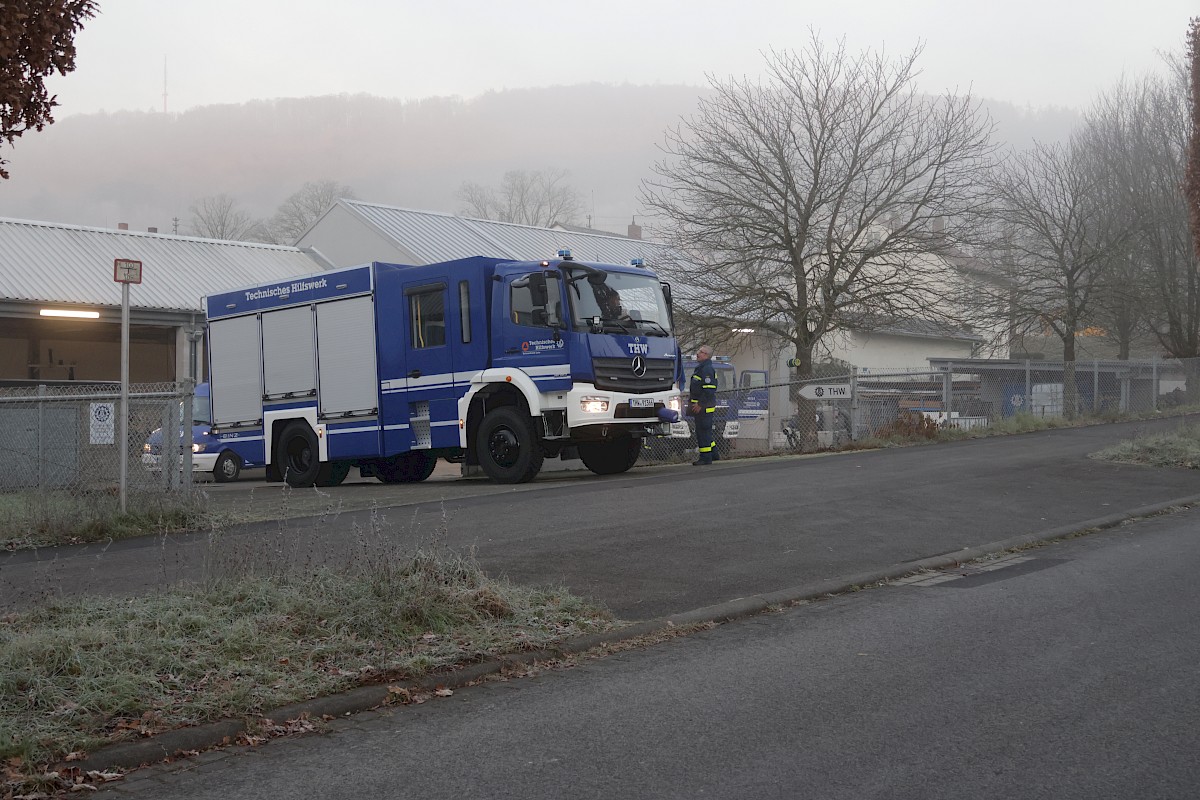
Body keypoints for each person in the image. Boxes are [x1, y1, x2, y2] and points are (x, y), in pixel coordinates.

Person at [688, 344, 718, 466]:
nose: (698, 353)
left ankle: (705, 458)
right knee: (706, 432)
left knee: (703, 432)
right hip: (701, 406)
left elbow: (709, 390)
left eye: (700, 352)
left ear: (706, 355)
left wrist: (700, 404)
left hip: (704, 408)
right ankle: (714, 454)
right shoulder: (701, 368)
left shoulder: (706, 369)